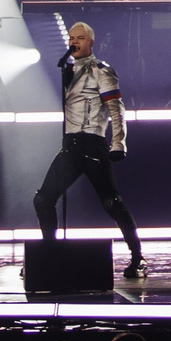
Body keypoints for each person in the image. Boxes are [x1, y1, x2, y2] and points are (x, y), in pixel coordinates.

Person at [33, 21, 145, 279]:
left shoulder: (101, 71)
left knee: (112, 203)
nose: (74, 42)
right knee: (43, 199)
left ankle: (137, 257)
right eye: (72, 38)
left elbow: (116, 108)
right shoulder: (68, 70)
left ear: (90, 42)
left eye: (80, 38)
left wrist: (119, 142)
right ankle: (49, 255)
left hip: (93, 143)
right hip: (70, 146)